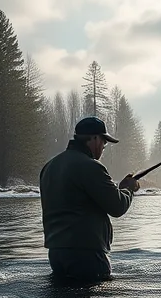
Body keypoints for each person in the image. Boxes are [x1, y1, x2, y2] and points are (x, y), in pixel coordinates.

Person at [40, 116, 140, 281]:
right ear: (94, 139)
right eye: (104, 142)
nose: (103, 147)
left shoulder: (50, 166)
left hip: (56, 254)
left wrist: (120, 188)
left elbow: (78, 198)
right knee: (95, 296)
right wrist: (129, 189)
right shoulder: (91, 166)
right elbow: (117, 206)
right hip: (87, 255)